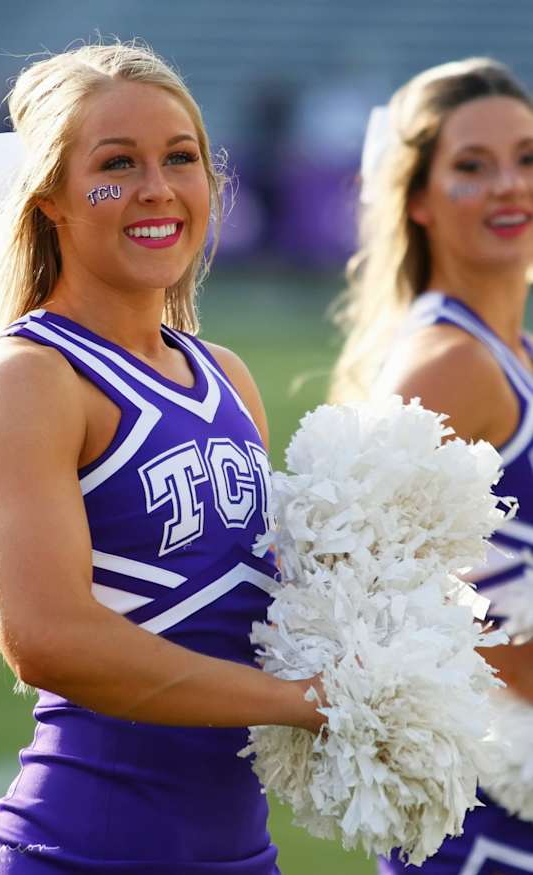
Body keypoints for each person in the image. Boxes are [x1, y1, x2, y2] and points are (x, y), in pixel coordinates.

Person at [0, 42, 323, 874]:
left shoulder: (226, 377)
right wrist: (300, 702)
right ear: (50, 197)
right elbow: (48, 637)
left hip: (241, 855)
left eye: (180, 158)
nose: (157, 188)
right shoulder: (30, 377)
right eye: (116, 165)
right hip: (76, 850)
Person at [330, 57, 533, 874]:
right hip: (483, 820)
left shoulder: (512, 351)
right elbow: (355, 588)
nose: (509, 185)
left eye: (526, 158)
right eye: (472, 167)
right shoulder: (450, 363)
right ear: (417, 198)